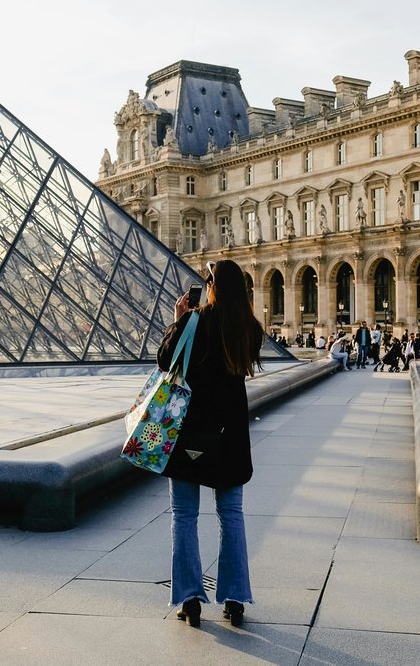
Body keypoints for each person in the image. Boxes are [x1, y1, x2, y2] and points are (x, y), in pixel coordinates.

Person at [158, 259, 260, 628]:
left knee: (184, 516)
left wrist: (177, 317)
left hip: (188, 432)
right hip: (229, 438)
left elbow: (165, 362)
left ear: (213, 286)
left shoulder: (194, 321)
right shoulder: (249, 328)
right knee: (231, 515)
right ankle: (235, 598)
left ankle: (189, 599)